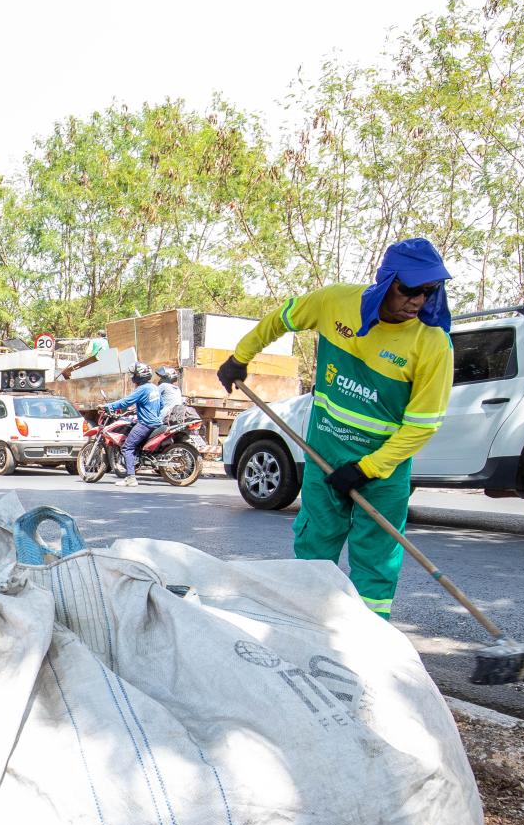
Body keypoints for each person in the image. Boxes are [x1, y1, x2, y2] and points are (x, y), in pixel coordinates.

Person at [217, 237, 455, 619]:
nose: (418, 301)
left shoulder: (432, 344)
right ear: (387, 281)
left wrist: (367, 469)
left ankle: (368, 639)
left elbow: (422, 426)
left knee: (376, 562)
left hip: (383, 469)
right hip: (324, 453)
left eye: (429, 291)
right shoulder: (335, 303)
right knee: (315, 545)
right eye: (410, 289)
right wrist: (240, 357)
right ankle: (306, 625)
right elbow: (283, 317)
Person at [102, 363, 165, 488]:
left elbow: (126, 401)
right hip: (157, 422)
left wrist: (109, 406)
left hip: (146, 424)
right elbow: (161, 405)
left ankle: (130, 478)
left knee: (127, 447)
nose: (132, 377)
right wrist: (140, 409)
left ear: (139, 376)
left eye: (134, 375)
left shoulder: (141, 389)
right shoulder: (154, 388)